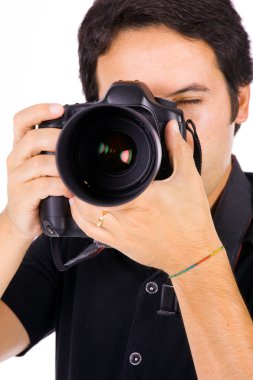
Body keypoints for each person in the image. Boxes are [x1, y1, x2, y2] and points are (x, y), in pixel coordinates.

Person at [0, 0, 253, 379]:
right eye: (135, 113)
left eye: (186, 102)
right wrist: (14, 227)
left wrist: (194, 259)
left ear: (241, 101)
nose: (163, 134)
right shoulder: (78, 228)